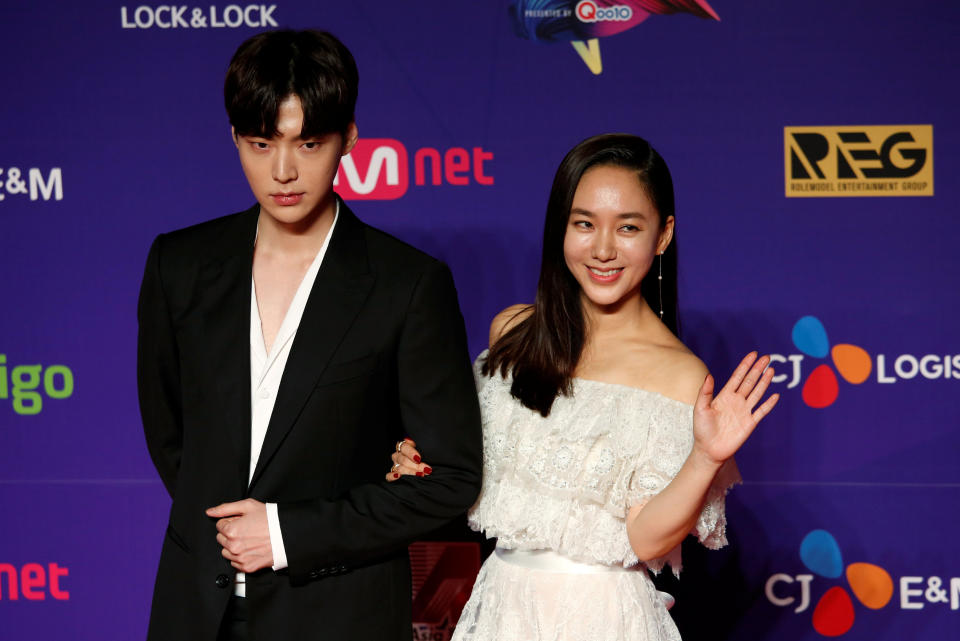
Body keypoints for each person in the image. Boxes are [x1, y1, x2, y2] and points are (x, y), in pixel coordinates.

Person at [137, 29, 482, 641]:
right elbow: (175, 442)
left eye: (309, 143)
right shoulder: (179, 265)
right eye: (260, 143)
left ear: (349, 137)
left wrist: (287, 533)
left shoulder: (407, 284)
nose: (283, 171)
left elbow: (451, 482)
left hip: (338, 613)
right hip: (194, 609)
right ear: (235, 138)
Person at [388, 133, 779, 640]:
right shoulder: (513, 333)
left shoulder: (681, 375)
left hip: (606, 618)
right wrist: (422, 465)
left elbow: (645, 539)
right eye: (584, 224)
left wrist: (705, 459)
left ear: (662, 236)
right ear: (561, 230)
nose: (602, 249)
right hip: (501, 607)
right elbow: (475, 477)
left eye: (628, 227)